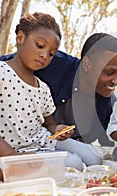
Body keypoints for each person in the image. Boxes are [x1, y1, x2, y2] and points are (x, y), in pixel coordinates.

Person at [0, 12, 103, 172]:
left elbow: (49, 123)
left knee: (95, 158)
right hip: (11, 149)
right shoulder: (2, 72)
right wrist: (10, 155)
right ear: (20, 38)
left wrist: (57, 129)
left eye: (51, 54)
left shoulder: (43, 87)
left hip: (42, 140)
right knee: (73, 163)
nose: (44, 55)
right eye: (40, 46)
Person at [0, 35, 117, 147]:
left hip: (58, 149)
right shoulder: (51, 64)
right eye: (110, 72)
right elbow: (9, 64)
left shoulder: (109, 103)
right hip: (20, 141)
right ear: (87, 64)